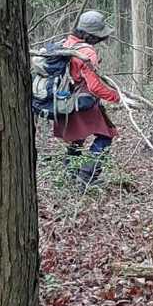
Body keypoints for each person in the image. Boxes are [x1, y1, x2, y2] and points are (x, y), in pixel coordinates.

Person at [53, 10, 121, 187]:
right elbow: (94, 86)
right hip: (82, 102)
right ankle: (86, 178)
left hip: (64, 102)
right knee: (106, 136)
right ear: (90, 35)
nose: (100, 39)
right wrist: (117, 97)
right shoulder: (87, 52)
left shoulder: (65, 43)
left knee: (77, 138)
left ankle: (70, 176)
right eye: (98, 36)